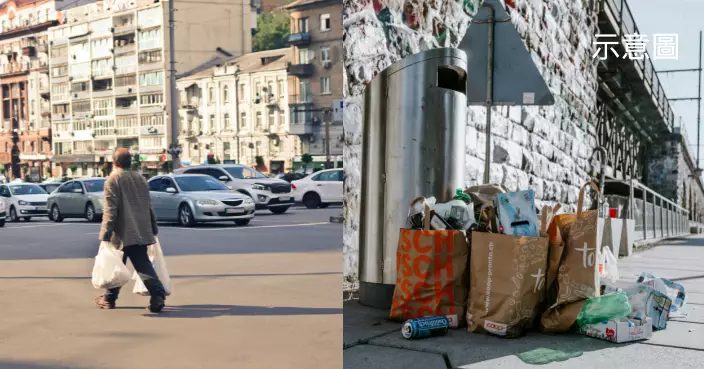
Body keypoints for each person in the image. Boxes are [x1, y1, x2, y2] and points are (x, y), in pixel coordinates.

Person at [94, 148, 166, 313]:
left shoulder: (113, 180)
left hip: (122, 231)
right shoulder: (140, 178)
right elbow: (148, 206)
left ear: (114, 162)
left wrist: (105, 233)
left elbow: (110, 210)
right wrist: (153, 227)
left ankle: (156, 294)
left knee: (123, 264)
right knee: (133, 263)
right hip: (140, 228)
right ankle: (110, 298)